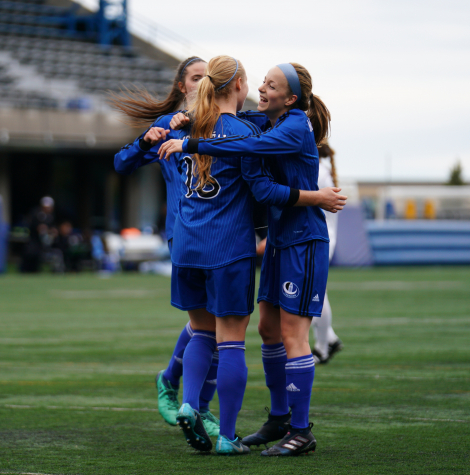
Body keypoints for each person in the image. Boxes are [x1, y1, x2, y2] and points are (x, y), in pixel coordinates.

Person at [158, 56, 345, 455]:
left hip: (303, 241)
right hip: (276, 240)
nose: (262, 89)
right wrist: (183, 122)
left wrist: (189, 136)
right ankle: (278, 418)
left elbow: (254, 155)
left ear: (291, 98)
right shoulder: (272, 122)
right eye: (260, 82)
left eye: (271, 85)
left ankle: (300, 429)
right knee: (267, 330)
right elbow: (252, 146)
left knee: (292, 335)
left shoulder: (294, 125)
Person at [112, 57, 222, 436]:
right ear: (181, 86)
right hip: (183, 233)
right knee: (210, 323)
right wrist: (148, 138)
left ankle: (182, 389)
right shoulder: (165, 125)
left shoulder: (222, 123)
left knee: (219, 324)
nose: (202, 83)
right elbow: (121, 163)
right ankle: (192, 399)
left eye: (208, 77)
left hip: (222, 235)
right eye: (195, 78)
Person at [311, 142, 344, 364]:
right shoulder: (321, 169)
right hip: (321, 236)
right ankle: (329, 338)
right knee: (315, 293)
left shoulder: (317, 171)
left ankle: (323, 347)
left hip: (319, 237)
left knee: (316, 294)